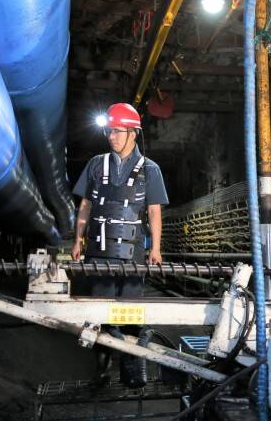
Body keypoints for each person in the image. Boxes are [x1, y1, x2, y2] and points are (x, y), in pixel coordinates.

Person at [71, 102, 169, 387]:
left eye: (117, 131)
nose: (111, 137)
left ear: (133, 133)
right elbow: (86, 205)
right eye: (109, 132)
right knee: (99, 311)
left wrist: (155, 248)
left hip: (132, 252)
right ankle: (101, 370)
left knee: (130, 310)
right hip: (99, 251)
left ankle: (130, 368)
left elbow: (154, 211)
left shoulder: (150, 170)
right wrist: (78, 239)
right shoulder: (95, 164)